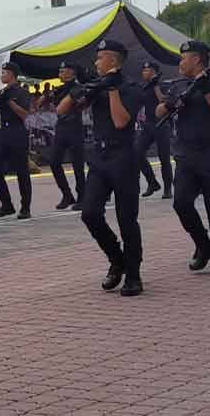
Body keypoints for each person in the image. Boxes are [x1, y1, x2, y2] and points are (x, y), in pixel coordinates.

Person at [58, 39, 143, 296]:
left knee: (126, 218)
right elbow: (62, 110)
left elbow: (120, 121)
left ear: (114, 61)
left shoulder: (130, 87)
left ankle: (133, 274)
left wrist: (113, 89)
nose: (96, 63)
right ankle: (116, 259)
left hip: (123, 155)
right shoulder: (96, 85)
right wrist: (77, 91)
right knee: (90, 213)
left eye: (100, 58)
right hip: (99, 157)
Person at [157, 41, 210, 276]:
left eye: (184, 58)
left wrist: (207, 89)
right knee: (181, 203)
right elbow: (158, 112)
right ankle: (203, 245)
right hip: (185, 155)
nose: (180, 63)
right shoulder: (178, 85)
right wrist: (169, 104)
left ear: (197, 59)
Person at [0, 62, 34, 219]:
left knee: (22, 171)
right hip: (3, 131)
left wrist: (10, 101)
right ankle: (6, 204)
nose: (2, 75)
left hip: (17, 131)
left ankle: (25, 207)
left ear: (12, 74)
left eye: (4, 72)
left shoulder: (21, 92)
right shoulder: (2, 92)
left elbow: (24, 114)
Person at [45, 62, 86, 210]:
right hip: (61, 127)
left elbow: (81, 105)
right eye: (60, 70)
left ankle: (82, 196)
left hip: (74, 126)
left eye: (63, 71)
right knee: (54, 161)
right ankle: (67, 194)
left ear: (72, 73)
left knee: (78, 165)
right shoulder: (60, 89)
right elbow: (43, 104)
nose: (60, 73)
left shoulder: (79, 88)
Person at [137, 61, 173, 200]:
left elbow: (163, 102)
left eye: (148, 70)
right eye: (144, 70)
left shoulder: (163, 85)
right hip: (148, 124)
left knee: (164, 158)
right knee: (138, 152)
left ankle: (168, 188)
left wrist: (156, 85)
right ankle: (152, 182)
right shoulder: (144, 87)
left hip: (162, 124)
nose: (145, 73)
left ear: (155, 72)